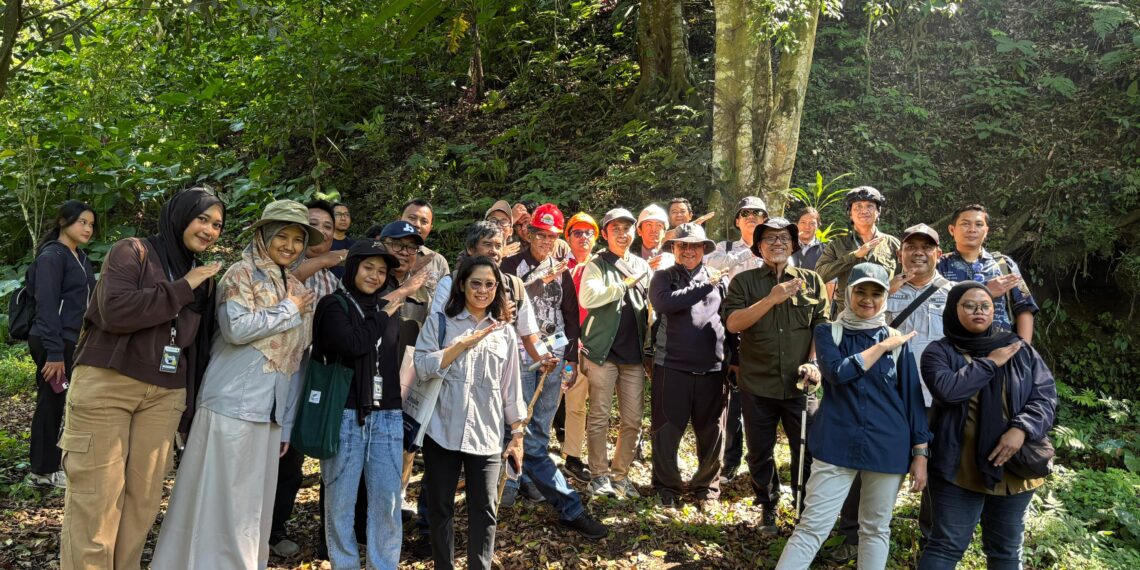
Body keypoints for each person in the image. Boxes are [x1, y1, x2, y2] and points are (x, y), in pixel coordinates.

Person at [59, 188, 224, 570]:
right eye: (202, 219)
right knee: (97, 501)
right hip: (108, 383)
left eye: (217, 224)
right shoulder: (132, 251)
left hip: (165, 395)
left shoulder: (203, 278)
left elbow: (195, 350)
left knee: (143, 502)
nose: (210, 230)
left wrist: (189, 409)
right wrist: (184, 287)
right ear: (181, 217)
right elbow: (115, 311)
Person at [152, 200, 321, 569]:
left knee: (250, 504)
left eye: (297, 239)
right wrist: (289, 309)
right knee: (218, 495)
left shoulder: (295, 285)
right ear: (263, 235)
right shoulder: (239, 275)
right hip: (231, 403)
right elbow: (235, 328)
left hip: (269, 411)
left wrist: (286, 421)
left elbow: (295, 361)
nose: (290, 246)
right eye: (283, 236)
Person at [775, 263, 930, 570]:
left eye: (876, 293)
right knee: (811, 527)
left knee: (875, 529)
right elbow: (836, 374)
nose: (868, 299)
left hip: (887, 445)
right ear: (848, 293)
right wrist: (882, 346)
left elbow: (912, 399)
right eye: (861, 291)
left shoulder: (898, 341)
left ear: (885, 296)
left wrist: (920, 453)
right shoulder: (828, 331)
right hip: (836, 442)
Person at [831, 223, 953, 559]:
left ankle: (930, 542)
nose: (918, 252)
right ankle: (852, 534)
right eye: (910, 246)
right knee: (863, 463)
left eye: (926, 247)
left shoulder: (953, 294)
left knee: (934, 467)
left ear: (938, 254)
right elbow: (849, 328)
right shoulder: (880, 291)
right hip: (885, 397)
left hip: (936, 397)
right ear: (899, 254)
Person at [918, 282, 1057, 569]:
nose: (978, 311)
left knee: (1006, 551)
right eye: (969, 305)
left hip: (1013, 468)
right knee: (945, 547)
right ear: (954, 310)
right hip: (958, 467)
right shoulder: (938, 352)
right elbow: (949, 390)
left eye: (985, 306)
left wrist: (1021, 429)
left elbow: (1045, 397)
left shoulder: (1019, 348)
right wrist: (990, 363)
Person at [498, 204, 607, 536]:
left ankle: (530, 481)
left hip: (554, 355)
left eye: (553, 236)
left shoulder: (563, 266)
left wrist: (571, 358)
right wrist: (539, 278)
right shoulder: (511, 265)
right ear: (529, 233)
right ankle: (510, 487)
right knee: (516, 424)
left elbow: (571, 314)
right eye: (541, 234)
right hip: (519, 356)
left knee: (541, 426)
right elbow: (505, 306)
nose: (546, 241)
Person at [413, 256, 526, 570]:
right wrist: (460, 345)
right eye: (476, 283)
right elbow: (421, 367)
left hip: (486, 434)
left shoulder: (503, 331)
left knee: (484, 509)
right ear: (461, 284)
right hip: (441, 429)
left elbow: (510, 387)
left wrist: (517, 433)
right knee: (439, 508)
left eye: (490, 284)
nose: (483, 290)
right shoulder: (440, 322)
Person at [723, 217, 828, 534]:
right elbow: (733, 324)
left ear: (794, 244)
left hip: (800, 385)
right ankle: (768, 504)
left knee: (808, 449)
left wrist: (814, 362)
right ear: (758, 248)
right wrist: (771, 298)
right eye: (769, 238)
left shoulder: (812, 280)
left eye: (784, 238)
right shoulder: (744, 283)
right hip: (758, 382)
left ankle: (804, 508)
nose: (777, 243)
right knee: (759, 451)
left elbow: (820, 326)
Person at [312, 241, 406, 569]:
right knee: (340, 503)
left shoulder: (387, 308)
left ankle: (384, 565)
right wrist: (382, 315)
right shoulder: (333, 306)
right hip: (345, 413)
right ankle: (345, 564)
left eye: (382, 271)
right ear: (352, 267)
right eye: (368, 268)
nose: (375, 276)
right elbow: (353, 344)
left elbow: (393, 360)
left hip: (387, 414)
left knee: (387, 503)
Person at [270, 199, 351, 558]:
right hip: (270, 370)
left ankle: (275, 528)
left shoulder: (332, 280)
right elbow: (289, 282)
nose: (321, 233)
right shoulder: (278, 264)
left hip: (308, 372)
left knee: (293, 456)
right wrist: (322, 259)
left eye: (328, 228)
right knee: (265, 451)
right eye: (313, 224)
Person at [648, 223, 728, 510]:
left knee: (712, 431)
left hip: (713, 367)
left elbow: (728, 319)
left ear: (704, 249)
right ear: (674, 249)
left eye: (695, 246)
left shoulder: (720, 280)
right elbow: (665, 304)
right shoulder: (663, 277)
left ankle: (707, 488)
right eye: (682, 245)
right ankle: (666, 487)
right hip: (672, 364)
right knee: (667, 429)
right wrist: (706, 285)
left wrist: (736, 360)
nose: (689, 250)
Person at [580, 208, 651, 500]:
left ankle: (620, 475)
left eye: (627, 229)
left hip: (633, 355)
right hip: (603, 353)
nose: (622, 234)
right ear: (606, 234)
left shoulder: (642, 265)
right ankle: (598, 475)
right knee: (599, 416)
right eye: (615, 229)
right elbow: (588, 297)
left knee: (633, 419)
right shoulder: (597, 264)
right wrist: (623, 284)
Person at [26, 200, 97, 489]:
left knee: (66, 402)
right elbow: (46, 305)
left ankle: (55, 464)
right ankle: (41, 471)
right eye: (82, 222)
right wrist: (54, 353)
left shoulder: (80, 258)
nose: (88, 228)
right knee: (51, 401)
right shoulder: (52, 257)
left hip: (73, 340)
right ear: (63, 222)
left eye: (91, 224)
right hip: (52, 340)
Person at [705, 196, 769, 484]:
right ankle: (729, 461)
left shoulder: (776, 247)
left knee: (759, 399)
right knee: (730, 400)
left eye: (758, 213)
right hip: (731, 328)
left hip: (766, 329)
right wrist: (751, 251)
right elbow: (711, 263)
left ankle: (760, 463)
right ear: (737, 221)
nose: (752, 217)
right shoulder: (725, 248)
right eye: (745, 213)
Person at [937, 204, 1038, 341]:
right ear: (952, 229)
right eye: (965, 224)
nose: (972, 230)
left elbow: (1024, 308)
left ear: (986, 231)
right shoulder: (940, 265)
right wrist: (986, 290)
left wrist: (1023, 351)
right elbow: (933, 307)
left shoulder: (1003, 264)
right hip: (954, 349)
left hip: (1000, 347)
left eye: (979, 224)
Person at [560, 212, 599, 483]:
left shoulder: (604, 265)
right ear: (568, 237)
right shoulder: (559, 266)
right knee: (572, 401)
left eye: (588, 233)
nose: (583, 237)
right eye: (577, 233)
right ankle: (571, 455)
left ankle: (593, 458)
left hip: (598, 344)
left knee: (597, 404)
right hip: (568, 345)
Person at [815, 186, 900, 313]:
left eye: (870, 206)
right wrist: (854, 256)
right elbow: (819, 275)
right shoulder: (837, 245)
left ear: (878, 212)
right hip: (846, 317)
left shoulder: (892, 244)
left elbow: (904, 277)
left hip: (883, 317)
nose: (864, 211)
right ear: (850, 214)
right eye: (858, 206)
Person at [635, 204, 674, 271]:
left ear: (664, 232)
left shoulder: (674, 261)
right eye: (649, 225)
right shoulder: (631, 262)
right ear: (639, 231)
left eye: (659, 225)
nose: (654, 230)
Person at [329, 202, 355, 278]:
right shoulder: (323, 244)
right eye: (338, 214)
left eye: (347, 215)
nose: (343, 218)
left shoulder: (355, 245)